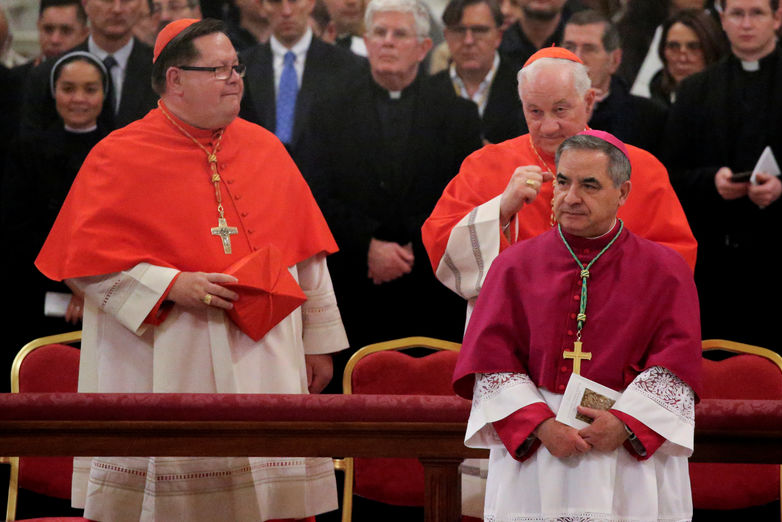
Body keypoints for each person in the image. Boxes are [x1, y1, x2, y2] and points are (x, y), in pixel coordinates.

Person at [35, 18, 348, 522]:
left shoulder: (265, 147)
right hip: (161, 354)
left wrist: (318, 342)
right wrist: (170, 285)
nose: (235, 78)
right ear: (175, 79)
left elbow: (305, 254)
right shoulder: (118, 155)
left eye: (237, 67)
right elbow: (82, 266)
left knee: (267, 505)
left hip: (264, 356)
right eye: (219, 69)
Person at [452, 130, 702, 521]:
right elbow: (491, 360)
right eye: (563, 181)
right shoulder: (513, 266)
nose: (570, 197)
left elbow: (677, 362)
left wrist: (626, 422)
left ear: (622, 192)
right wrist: (539, 425)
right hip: (539, 450)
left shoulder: (665, 270)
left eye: (589, 185)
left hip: (627, 453)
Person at [422, 46, 697, 321]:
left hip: (612, 326)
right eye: (535, 112)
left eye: (560, 110)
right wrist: (500, 211)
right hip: (515, 326)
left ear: (588, 102)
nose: (548, 126)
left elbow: (675, 262)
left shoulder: (639, 168)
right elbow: (440, 246)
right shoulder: (485, 165)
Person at [296, 0, 482, 393]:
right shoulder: (327, 110)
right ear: (365, 40)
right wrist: (367, 244)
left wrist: (413, 247)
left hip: (431, 288)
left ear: (424, 46)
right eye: (379, 33)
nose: (387, 42)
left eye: (399, 34)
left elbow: (464, 200)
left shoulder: (459, 115)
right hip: (355, 286)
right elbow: (313, 195)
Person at [662, 0, 782, 376]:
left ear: (776, 18)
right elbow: (669, 174)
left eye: (756, 13)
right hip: (715, 267)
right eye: (737, 14)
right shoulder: (694, 91)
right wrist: (711, 181)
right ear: (722, 21)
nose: (747, 24)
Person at [3, 52, 109, 373]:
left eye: (90, 89)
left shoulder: (119, 148)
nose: (79, 99)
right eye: (69, 88)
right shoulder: (26, 150)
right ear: (53, 92)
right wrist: (71, 284)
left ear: (105, 93)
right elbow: (17, 228)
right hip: (34, 292)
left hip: (106, 296)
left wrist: (90, 290)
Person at [239, 0, 367, 154]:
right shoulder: (242, 68)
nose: (286, 11)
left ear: (311, 3)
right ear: (262, 7)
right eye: (275, 2)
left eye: (294, 1)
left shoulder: (350, 67)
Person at [20, 0, 159, 136]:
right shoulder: (47, 73)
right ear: (85, 3)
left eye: (126, 1)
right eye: (107, 1)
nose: (117, 9)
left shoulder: (162, 71)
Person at [562, 9, 667, 154]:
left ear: (614, 60)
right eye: (569, 47)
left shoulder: (648, 117)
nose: (577, 57)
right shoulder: (537, 108)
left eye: (589, 49)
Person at [431, 0, 527, 144]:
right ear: (446, 36)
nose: (468, 40)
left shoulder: (525, 88)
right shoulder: (427, 91)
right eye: (459, 30)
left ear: (498, 36)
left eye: (479, 30)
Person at [649, 9, 727, 107]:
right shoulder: (655, 101)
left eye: (694, 47)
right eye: (673, 46)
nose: (682, 59)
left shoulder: (729, 103)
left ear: (711, 51)